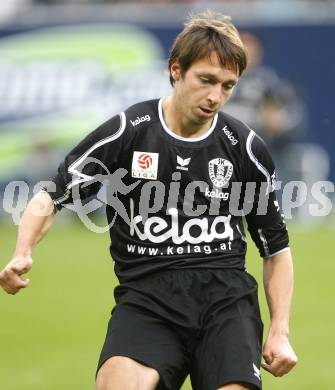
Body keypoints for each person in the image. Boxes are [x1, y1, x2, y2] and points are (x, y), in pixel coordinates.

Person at [0, 11, 297, 390]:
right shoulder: (129, 131)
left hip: (226, 304)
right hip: (148, 302)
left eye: (227, 86)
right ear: (176, 70)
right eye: (206, 80)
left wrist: (279, 331)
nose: (215, 96)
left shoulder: (244, 146)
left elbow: (276, 248)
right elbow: (52, 194)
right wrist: (22, 250)